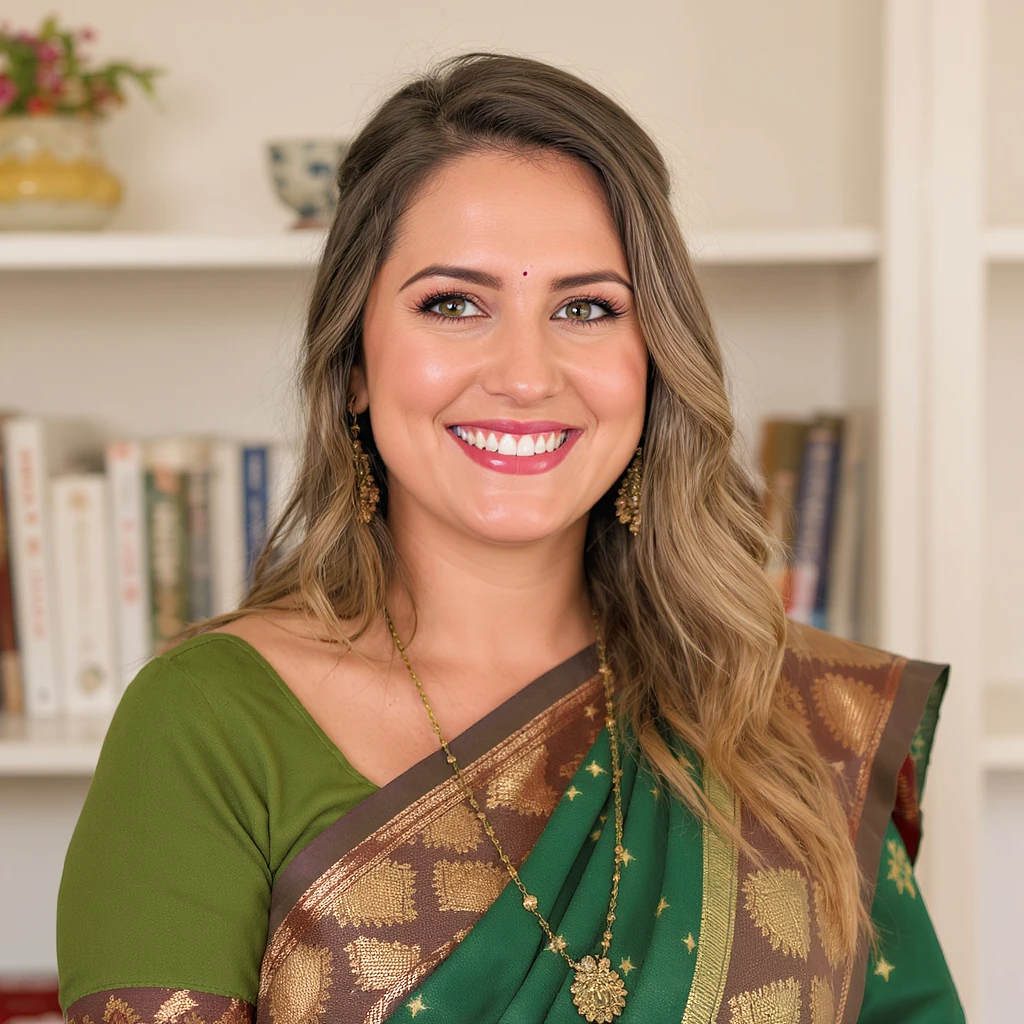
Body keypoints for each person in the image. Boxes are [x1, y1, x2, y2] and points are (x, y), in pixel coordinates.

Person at [56, 52, 964, 1024]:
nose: (526, 375)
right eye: (454, 304)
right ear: (353, 362)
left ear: (655, 360)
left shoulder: (790, 721)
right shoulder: (208, 722)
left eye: (586, 308)